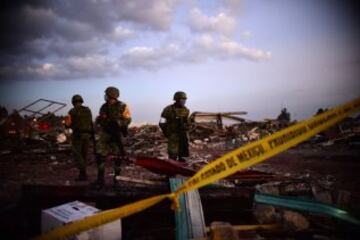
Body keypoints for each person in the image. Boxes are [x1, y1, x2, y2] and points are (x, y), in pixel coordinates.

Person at [94, 86, 131, 186]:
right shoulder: (103, 106)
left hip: (117, 133)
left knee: (118, 156)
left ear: (110, 95)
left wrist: (118, 123)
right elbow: (101, 118)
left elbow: (128, 119)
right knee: (100, 155)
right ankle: (100, 179)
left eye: (107, 94)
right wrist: (100, 120)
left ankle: (116, 178)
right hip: (106, 132)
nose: (106, 96)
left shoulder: (122, 106)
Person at [65, 94, 93, 181]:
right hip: (87, 135)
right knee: (83, 155)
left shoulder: (72, 111)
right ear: (81, 101)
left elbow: (67, 124)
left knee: (77, 153)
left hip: (78, 135)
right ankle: (83, 175)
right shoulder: (88, 110)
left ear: (73, 102)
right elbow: (91, 123)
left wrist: (65, 123)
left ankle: (83, 170)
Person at [159, 91, 190, 162]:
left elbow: (187, 122)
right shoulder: (168, 109)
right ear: (176, 100)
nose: (184, 102)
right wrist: (166, 132)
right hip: (173, 134)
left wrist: (187, 126)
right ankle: (172, 164)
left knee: (183, 151)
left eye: (185, 100)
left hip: (183, 134)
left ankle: (181, 163)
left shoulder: (186, 110)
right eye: (182, 100)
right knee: (173, 153)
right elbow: (162, 122)